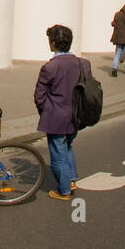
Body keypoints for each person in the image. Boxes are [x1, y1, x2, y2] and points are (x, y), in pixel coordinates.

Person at [34, 23, 91, 201]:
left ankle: (64, 189)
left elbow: (39, 96)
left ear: (52, 43)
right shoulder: (84, 63)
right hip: (77, 115)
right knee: (67, 146)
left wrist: (46, 111)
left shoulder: (50, 67)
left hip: (56, 116)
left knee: (58, 154)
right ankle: (72, 179)